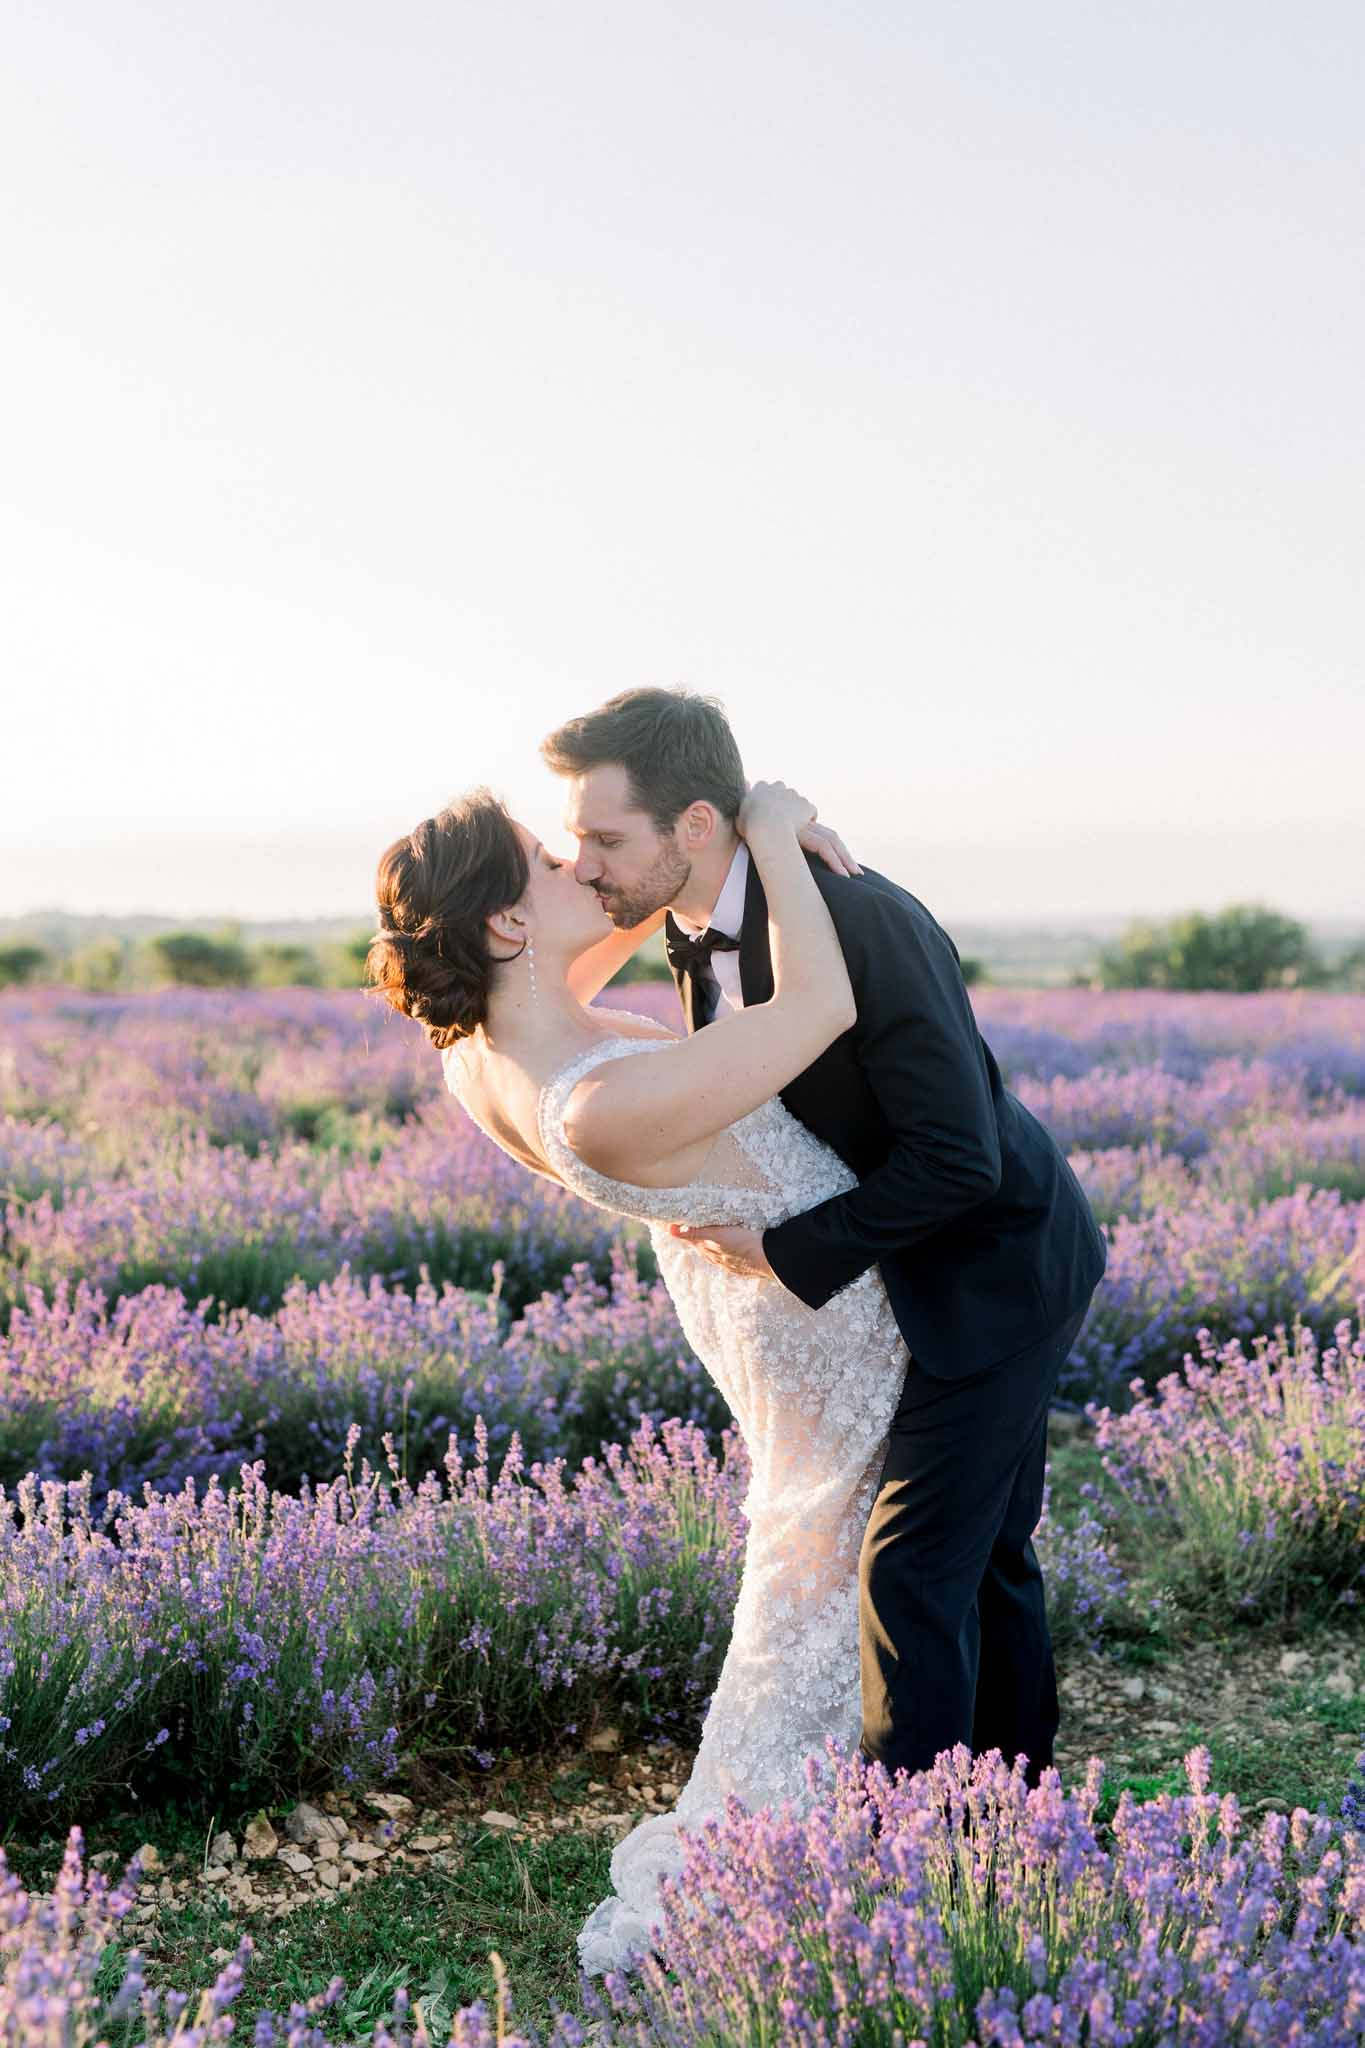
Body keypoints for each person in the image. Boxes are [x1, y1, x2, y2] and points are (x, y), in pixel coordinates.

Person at [367, 776, 916, 1976]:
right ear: (508, 926)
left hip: (743, 1293)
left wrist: (688, 849)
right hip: (811, 1313)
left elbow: (621, 905)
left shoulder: (488, 1050)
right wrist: (768, 825)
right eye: (549, 859)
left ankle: (853, 1822)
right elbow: (819, 1004)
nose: (583, 863)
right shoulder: (603, 1096)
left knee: (817, 1558)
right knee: (820, 1574)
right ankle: (780, 1851)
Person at [540, 689, 1107, 1799]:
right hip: (910, 1269)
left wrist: (785, 1249)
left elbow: (961, 1157)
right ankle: (1019, 1810)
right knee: (987, 1558)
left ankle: (912, 1853)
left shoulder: (862, 920)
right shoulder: (687, 926)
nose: (585, 864)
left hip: (996, 1271)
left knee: (910, 1568)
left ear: (694, 826)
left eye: (604, 838)